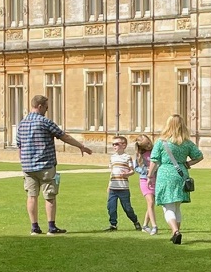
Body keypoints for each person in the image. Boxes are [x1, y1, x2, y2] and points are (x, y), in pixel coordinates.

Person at [15, 94, 91, 235]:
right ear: (40, 106)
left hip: (27, 166)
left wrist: (24, 162)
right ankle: (51, 227)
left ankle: (34, 228)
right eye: (46, 107)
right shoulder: (45, 122)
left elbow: (19, 146)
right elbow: (64, 136)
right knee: (49, 195)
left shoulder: (21, 123)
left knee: (31, 196)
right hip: (45, 165)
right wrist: (80, 146)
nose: (47, 110)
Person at [150, 112, 203, 246]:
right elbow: (199, 156)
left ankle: (175, 231)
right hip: (181, 174)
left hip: (165, 174)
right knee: (177, 206)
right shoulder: (186, 143)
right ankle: (175, 233)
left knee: (168, 206)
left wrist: (150, 175)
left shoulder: (161, 142)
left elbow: (154, 160)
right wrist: (187, 164)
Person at [106, 135, 142, 230]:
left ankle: (135, 221)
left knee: (127, 208)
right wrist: (109, 186)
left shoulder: (127, 157)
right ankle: (113, 225)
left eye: (116, 144)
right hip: (113, 188)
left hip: (123, 188)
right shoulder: (112, 157)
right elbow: (112, 172)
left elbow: (132, 171)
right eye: (113, 144)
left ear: (124, 145)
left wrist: (127, 174)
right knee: (111, 207)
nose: (114, 146)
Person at [134, 135, 159, 234]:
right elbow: (136, 167)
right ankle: (154, 226)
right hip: (145, 180)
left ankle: (145, 225)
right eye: (145, 145)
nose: (148, 146)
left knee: (151, 204)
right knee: (151, 202)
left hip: (156, 179)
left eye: (148, 143)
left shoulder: (155, 151)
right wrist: (146, 170)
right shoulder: (140, 155)